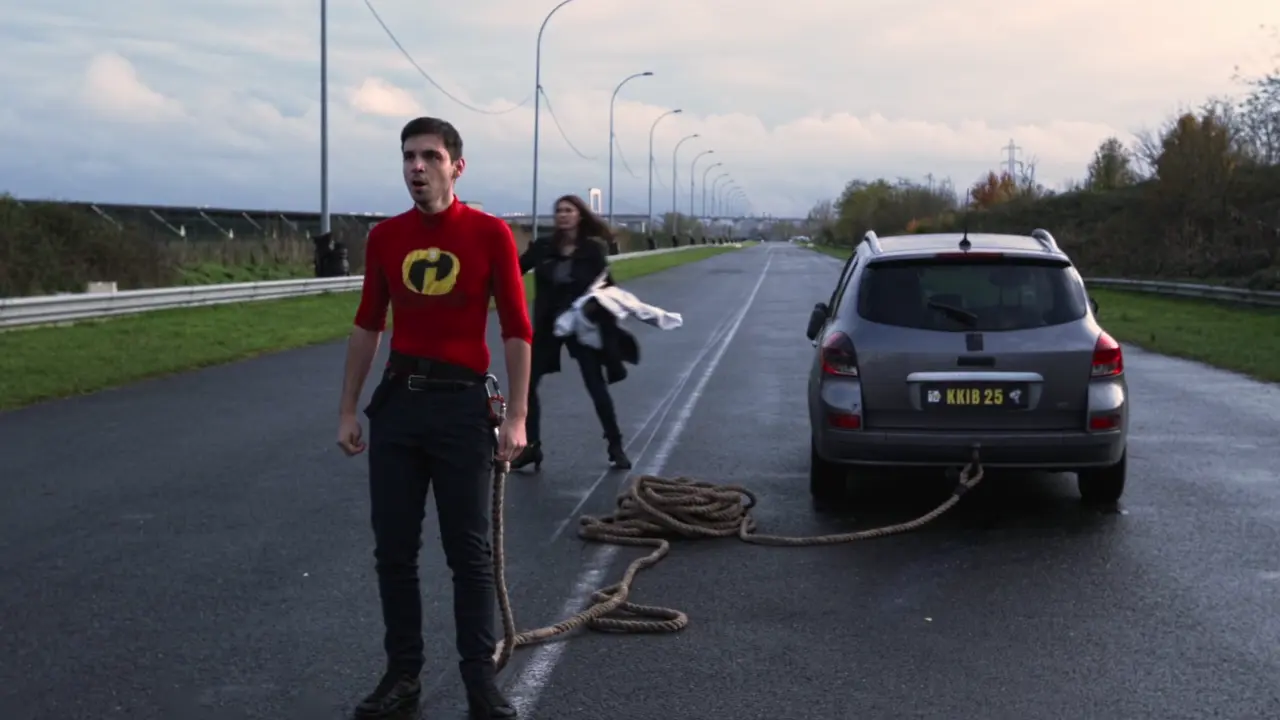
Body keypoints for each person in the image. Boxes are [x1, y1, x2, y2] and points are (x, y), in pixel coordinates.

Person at [335, 116, 531, 720]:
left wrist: (517, 417)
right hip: (399, 406)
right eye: (407, 157)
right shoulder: (385, 238)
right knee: (393, 551)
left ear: (456, 166)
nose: (416, 167)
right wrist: (348, 408)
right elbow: (369, 323)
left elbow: (517, 328)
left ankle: (479, 680)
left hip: (461, 408)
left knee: (468, 554)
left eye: (429, 156)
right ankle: (403, 675)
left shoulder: (490, 233)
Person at [508, 194, 633, 473]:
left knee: (595, 385)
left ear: (579, 216)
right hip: (548, 328)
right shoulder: (542, 247)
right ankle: (531, 447)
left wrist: (608, 320)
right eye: (559, 211)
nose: (562, 215)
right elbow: (513, 271)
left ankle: (615, 445)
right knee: (527, 387)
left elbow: (607, 287)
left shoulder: (591, 251)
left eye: (568, 210)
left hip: (581, 327)